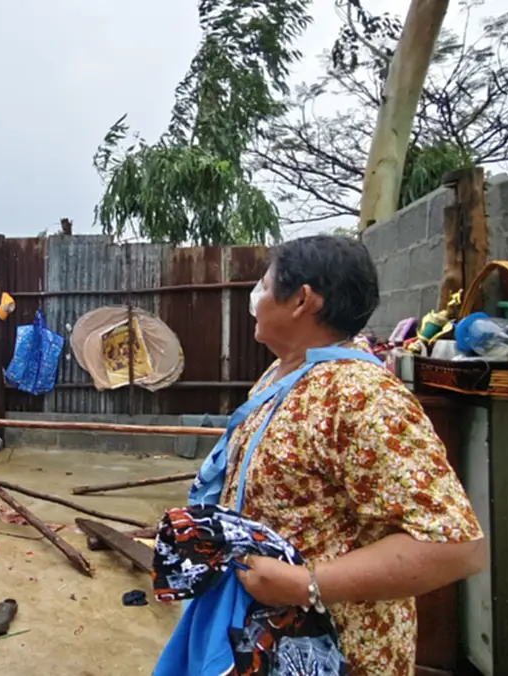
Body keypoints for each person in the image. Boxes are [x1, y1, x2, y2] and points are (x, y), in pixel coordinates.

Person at [167, 235, 486, 675]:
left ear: (301, 300)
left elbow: (455, 547)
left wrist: (304, 585)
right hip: (263, 638)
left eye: (263, 285)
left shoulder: (363, 397)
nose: (255, 299)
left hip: (334, 649)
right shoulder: (282, 376)